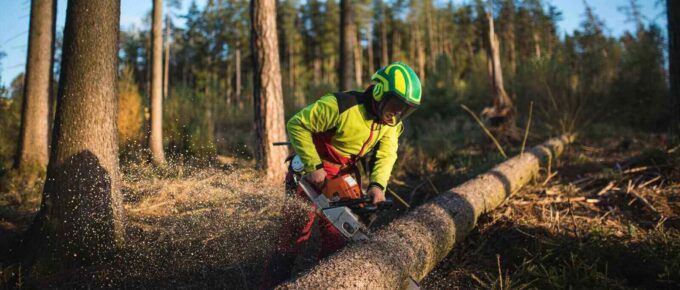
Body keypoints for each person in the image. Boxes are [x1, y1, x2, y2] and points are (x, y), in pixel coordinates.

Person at [260, 62, 422, 289]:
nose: (397, 112)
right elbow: (297, 124)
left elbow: (387, 154)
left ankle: (326, 283)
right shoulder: (341, 105)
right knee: (294, 234)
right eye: (396, 104)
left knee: (341, 235)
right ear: (379, 92)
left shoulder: (391, 124)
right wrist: (313, 165)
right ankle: (271, 284)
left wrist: (378, 185)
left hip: (344, 172)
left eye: (404, 108)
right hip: (311, 169)